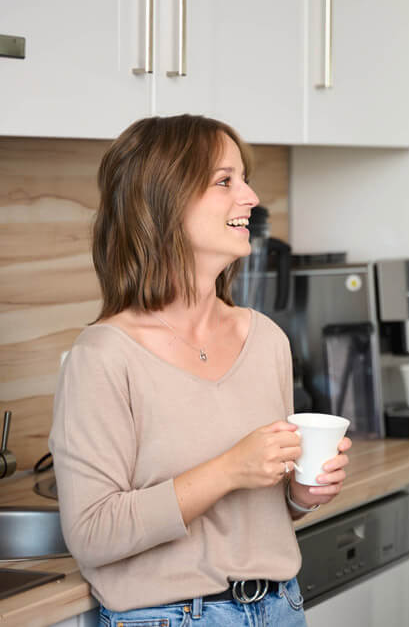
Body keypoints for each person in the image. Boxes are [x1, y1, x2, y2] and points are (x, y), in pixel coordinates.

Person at [49, 114, 351, 626]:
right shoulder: (104, 356)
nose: (250, 197)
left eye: (244, 178)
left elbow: (262, 510)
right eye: (224, 181)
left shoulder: (265, 340)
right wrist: (230, 469)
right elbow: (92, 532)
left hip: (281, 607)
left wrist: (301, 496)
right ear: (164, 201)